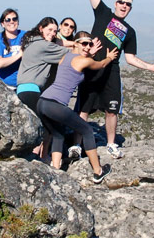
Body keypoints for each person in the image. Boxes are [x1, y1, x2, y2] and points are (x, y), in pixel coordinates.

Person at [77, 0, 154, 159]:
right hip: (93, 68)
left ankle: (111, 144)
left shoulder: (130, 32)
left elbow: (130, 58)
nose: (124, 6)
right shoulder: (103, 14)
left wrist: (151, 67)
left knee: (112, 110)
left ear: (130, 8)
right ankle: (76, 144)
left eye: (128, 4)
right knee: (84, 108)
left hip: (112, 72)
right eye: (121, 2)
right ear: (115, 3)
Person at [37, 32, 118, 183]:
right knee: (86, 130)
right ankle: (98, 171)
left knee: (58, 135)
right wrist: (110, 57)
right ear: (75, 43)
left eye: (90, 44)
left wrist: (88, 55)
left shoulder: (65, 57)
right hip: (55, 104)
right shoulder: (83, 61)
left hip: (42, 102)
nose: (87, 47)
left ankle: (55, 171)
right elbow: (101, 65)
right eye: (84, 43)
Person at [0, 8, 26, 89]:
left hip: (17, 84)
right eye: (8, 20)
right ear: (2, 24)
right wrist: (19, 55)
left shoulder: (25, 36)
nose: (11, 21)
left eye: (14, 19)